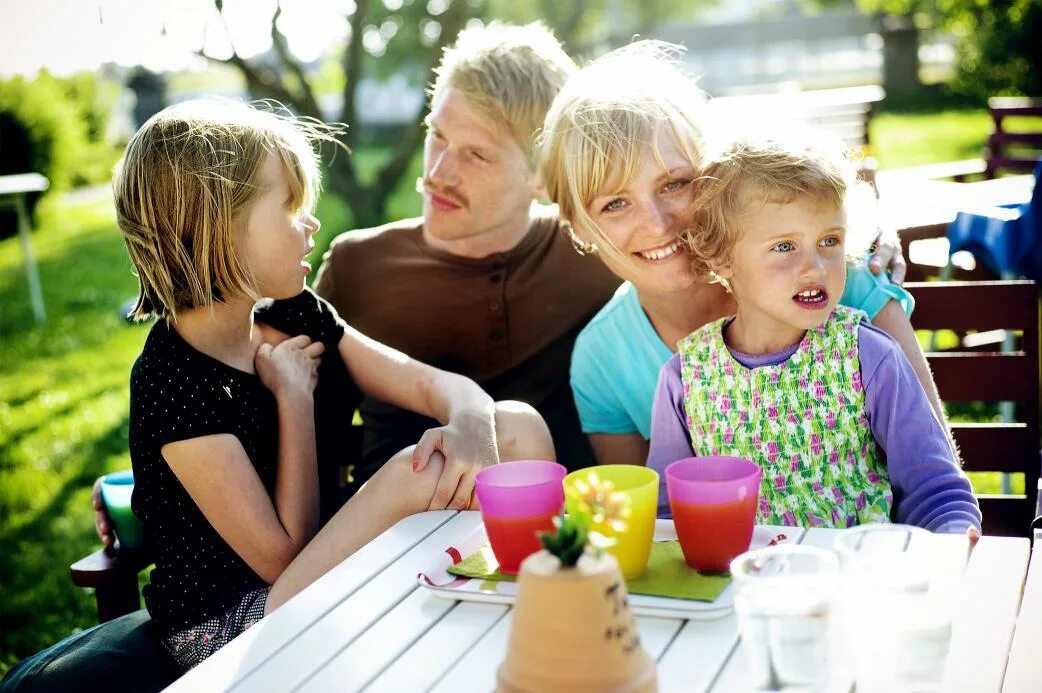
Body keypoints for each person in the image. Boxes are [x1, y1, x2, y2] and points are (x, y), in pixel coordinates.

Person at [5, 98, 554, 685]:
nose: (311, 222)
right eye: (289, 206)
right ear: (216, 226)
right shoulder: (173, 379)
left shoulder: (297, 316)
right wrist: (294, 400)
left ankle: (542, 607)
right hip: (232, 622)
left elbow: (427, 383)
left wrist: (471, 414)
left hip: (322, 565)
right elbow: (282, 561)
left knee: (514, 423)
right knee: (416, 471)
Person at [538, 41, 940, 467]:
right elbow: (651, 519)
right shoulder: (602, 358)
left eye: (674, 183)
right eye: (614, 204)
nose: (657, 224)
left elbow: (936, 477)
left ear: (715, 177)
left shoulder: (837, 281)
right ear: (578, 227)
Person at [311, 21, 620, 487]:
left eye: (476, 155)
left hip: (553, 543)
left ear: (542, 176)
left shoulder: (596, 254)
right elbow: (307, 438)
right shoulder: (357, 266)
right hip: (395, 538)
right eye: (437, 136)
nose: (438, 172)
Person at [645, 126, 981, 533]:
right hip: (741, 590)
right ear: (721, 257)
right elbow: (668, 513)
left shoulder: (866, 356)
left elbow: (936, 491)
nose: (815, 267)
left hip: (860, 581)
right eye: (784, 246)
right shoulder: (685, 377)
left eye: (829, 240)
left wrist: (953, 541)